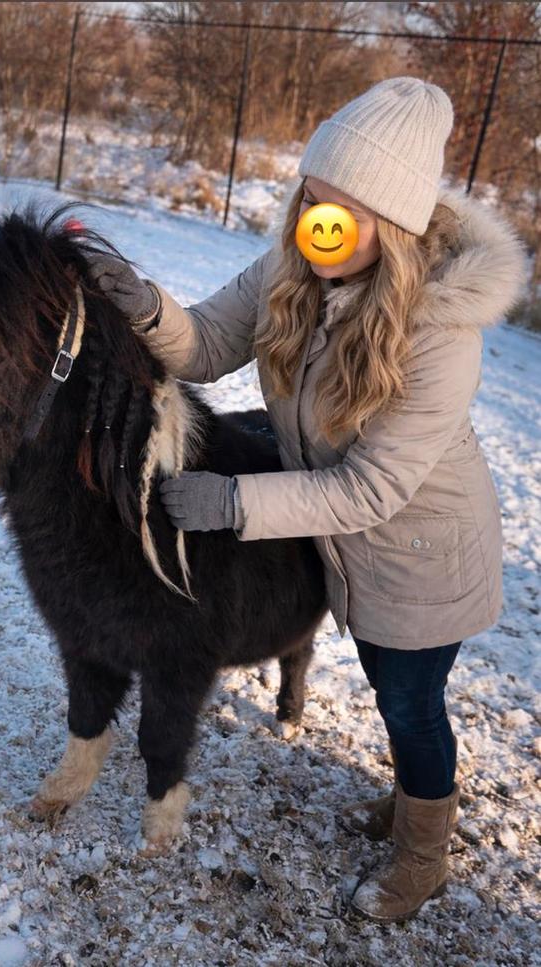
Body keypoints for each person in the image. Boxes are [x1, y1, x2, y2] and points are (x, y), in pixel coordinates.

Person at [85, 76, 527, 922]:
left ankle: (423, 850)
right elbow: (209, 342)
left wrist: (233, 501)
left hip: (419, 550)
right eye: (309, 196)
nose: (312, 219)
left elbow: (373, 486)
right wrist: (145, 307)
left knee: (408, 699)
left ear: (390, 224)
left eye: (339, 207)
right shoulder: (298, 261)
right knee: (387, 682)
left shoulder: (441, 334)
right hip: (343, 541)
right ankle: (412, 804)